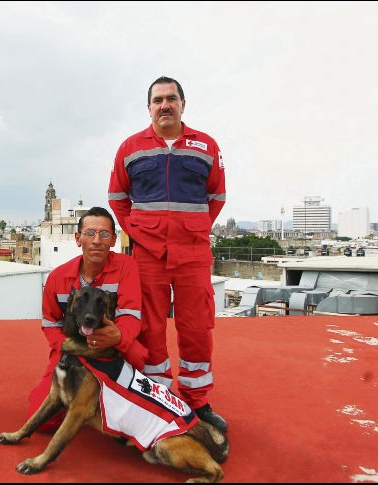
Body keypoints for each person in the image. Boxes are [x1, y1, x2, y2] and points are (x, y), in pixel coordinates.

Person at [108, 76, 228, 432]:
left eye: (171, 99)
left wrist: (193, 228)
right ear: (149, 107)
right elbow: (117, 198)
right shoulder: (130, 147)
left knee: (197, 327)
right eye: (158, 100)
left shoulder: (206, 145)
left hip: (193, 253)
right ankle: (158, 396)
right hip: (147, 254)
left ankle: (197, 400)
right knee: (149, 326)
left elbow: (217, 196)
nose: (165, 105)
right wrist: (138, 232)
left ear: (182, 104)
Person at [26, 207, 146, 431]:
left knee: (138, 358)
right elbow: (50, 323)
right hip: (73, 348)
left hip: (113, 346)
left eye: (104, 234)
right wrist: (67, 346)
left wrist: (117, 337)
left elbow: (130, 315)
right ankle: (82, 400)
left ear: (113, 240)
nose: (97, 241)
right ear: (78, 238)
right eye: (90, 233)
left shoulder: (126, 267)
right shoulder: (58, 277)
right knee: (43, 421)